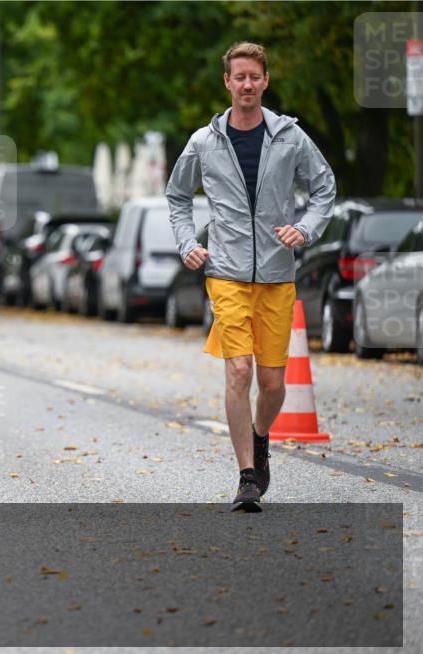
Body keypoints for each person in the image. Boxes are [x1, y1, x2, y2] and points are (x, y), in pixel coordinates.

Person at [166, 42, 336, 512]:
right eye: (238, 77)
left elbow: (324, 187)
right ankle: (245, 477)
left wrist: (304, 228)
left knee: (275, 385)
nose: (246, 84)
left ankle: (261, 437)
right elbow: (178, 196)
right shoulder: (204, 141)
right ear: (227, 82)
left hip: (279, 275)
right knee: (239, 370)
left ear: (265, 81)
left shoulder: (289, 137)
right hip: (225, 272)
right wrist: (188, 244)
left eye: (253, 77)